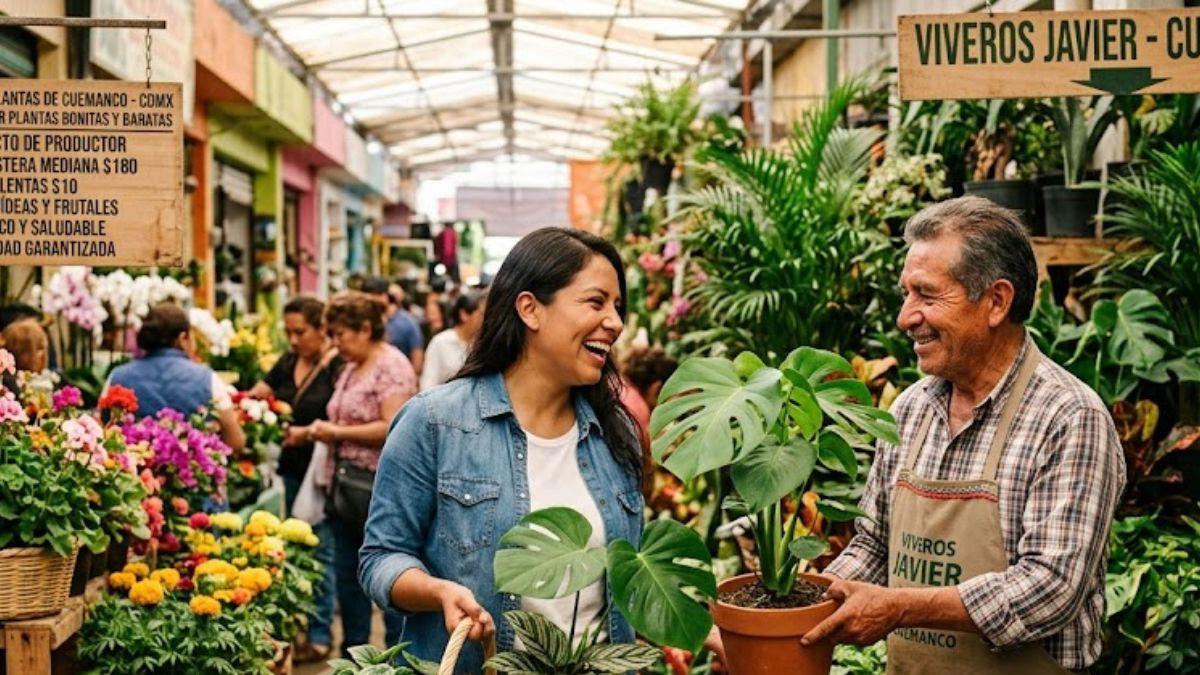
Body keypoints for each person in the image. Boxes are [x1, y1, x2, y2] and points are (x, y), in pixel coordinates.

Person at [805, 197, 1125, 674]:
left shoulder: (1068, 417)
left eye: (927, 296)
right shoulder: (912, 409)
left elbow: (1050, 587)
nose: (906, 316)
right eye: (905, 294)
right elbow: (873, 547)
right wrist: (799, 613)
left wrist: (902, 607)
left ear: (996, 301)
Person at [358, 228, 647, 672]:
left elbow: (635, 583)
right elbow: (381, 557)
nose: (615, 321)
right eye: (596, 302)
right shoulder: (435, 423)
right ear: (530, 309)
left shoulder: (615, 432)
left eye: (618, 307)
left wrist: (712, 630)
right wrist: (438, 592)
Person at [291, 291, 416, 653]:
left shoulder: (391, 367)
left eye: (341, 334)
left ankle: (397, 656)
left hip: (378, 489)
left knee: (387, 575)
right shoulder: (349, 367)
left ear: (365, 329)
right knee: (349, 577)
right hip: (344, 489)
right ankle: (355, 652)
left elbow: (394, 427)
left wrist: (337, 433)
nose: (335, 343)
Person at [247, 295, 340, 662]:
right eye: (288, 332)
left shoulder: (336, 368)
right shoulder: (287, 362)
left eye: (300, 331)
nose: (294, 339)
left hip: (321, 474)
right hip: (288, 469)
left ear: (322, 329)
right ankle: (297, 628)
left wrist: (308, 432)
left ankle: (320, 634)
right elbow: (259, 394)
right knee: (289, 550)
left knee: (322, 551)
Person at [106, 302, 245, 453]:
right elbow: (236, 441)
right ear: (183, 338)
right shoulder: (208, 378)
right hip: (191, 471)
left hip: (132, 473)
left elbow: (103, 428)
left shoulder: (118, 377)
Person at [419, 289, 486, 391]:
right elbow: (428, 384)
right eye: (481, 315)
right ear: (464, 314)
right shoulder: (441, 343)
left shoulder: (482, 344)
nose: (484, 320)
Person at [363, 276, 424, 375]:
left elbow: (417, 355)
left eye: (377, 295)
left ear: (386, 296)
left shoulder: (407, 322)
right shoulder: (361, 322)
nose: (374, 300)